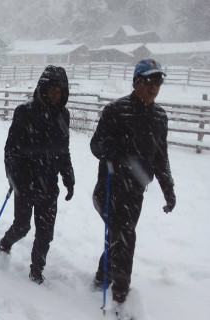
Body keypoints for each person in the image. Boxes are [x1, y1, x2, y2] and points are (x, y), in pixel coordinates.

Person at [90, 58, 176, 305]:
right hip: (110, 188)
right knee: (125, 239)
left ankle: (101, 277)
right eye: (150, 80)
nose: (154, 87)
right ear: (137, 82)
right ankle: (120, 296)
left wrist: (168, 190)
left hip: (135, 191)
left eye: (158, 81)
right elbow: (96, 145)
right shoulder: (116, 110)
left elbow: (161, 157)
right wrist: (111, 149)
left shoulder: (159, 117)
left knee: (119, 238)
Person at [0, 65, 75, 285]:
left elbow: (63, 150)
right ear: (43, 88)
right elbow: (10, 150)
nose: (55, 95)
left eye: (60, 91)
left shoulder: (63, 115)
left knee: (45, 232)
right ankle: (5, 244)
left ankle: (36, 270)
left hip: (49, 183)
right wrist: (14, 177)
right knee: (22, 226)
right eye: (52, 89)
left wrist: (68, 177)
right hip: (25, 181)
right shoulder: (25, 112)